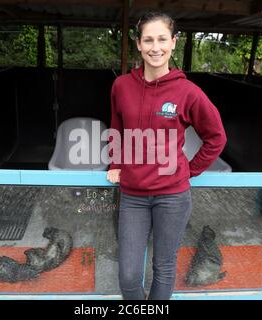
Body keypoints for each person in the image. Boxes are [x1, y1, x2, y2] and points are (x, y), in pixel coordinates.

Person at [106, 12, 227, 300]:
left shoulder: (188, 92)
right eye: (148, 39)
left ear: (174, 42)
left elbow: (216, 137)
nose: (155, 47)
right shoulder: (121, 86)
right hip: (133, 196)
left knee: (163, 267)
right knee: (128, 275)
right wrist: (116, 162)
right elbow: (117, 126)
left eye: (162, 39)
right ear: (138, 44)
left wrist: (189, 170)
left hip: (173, 196)